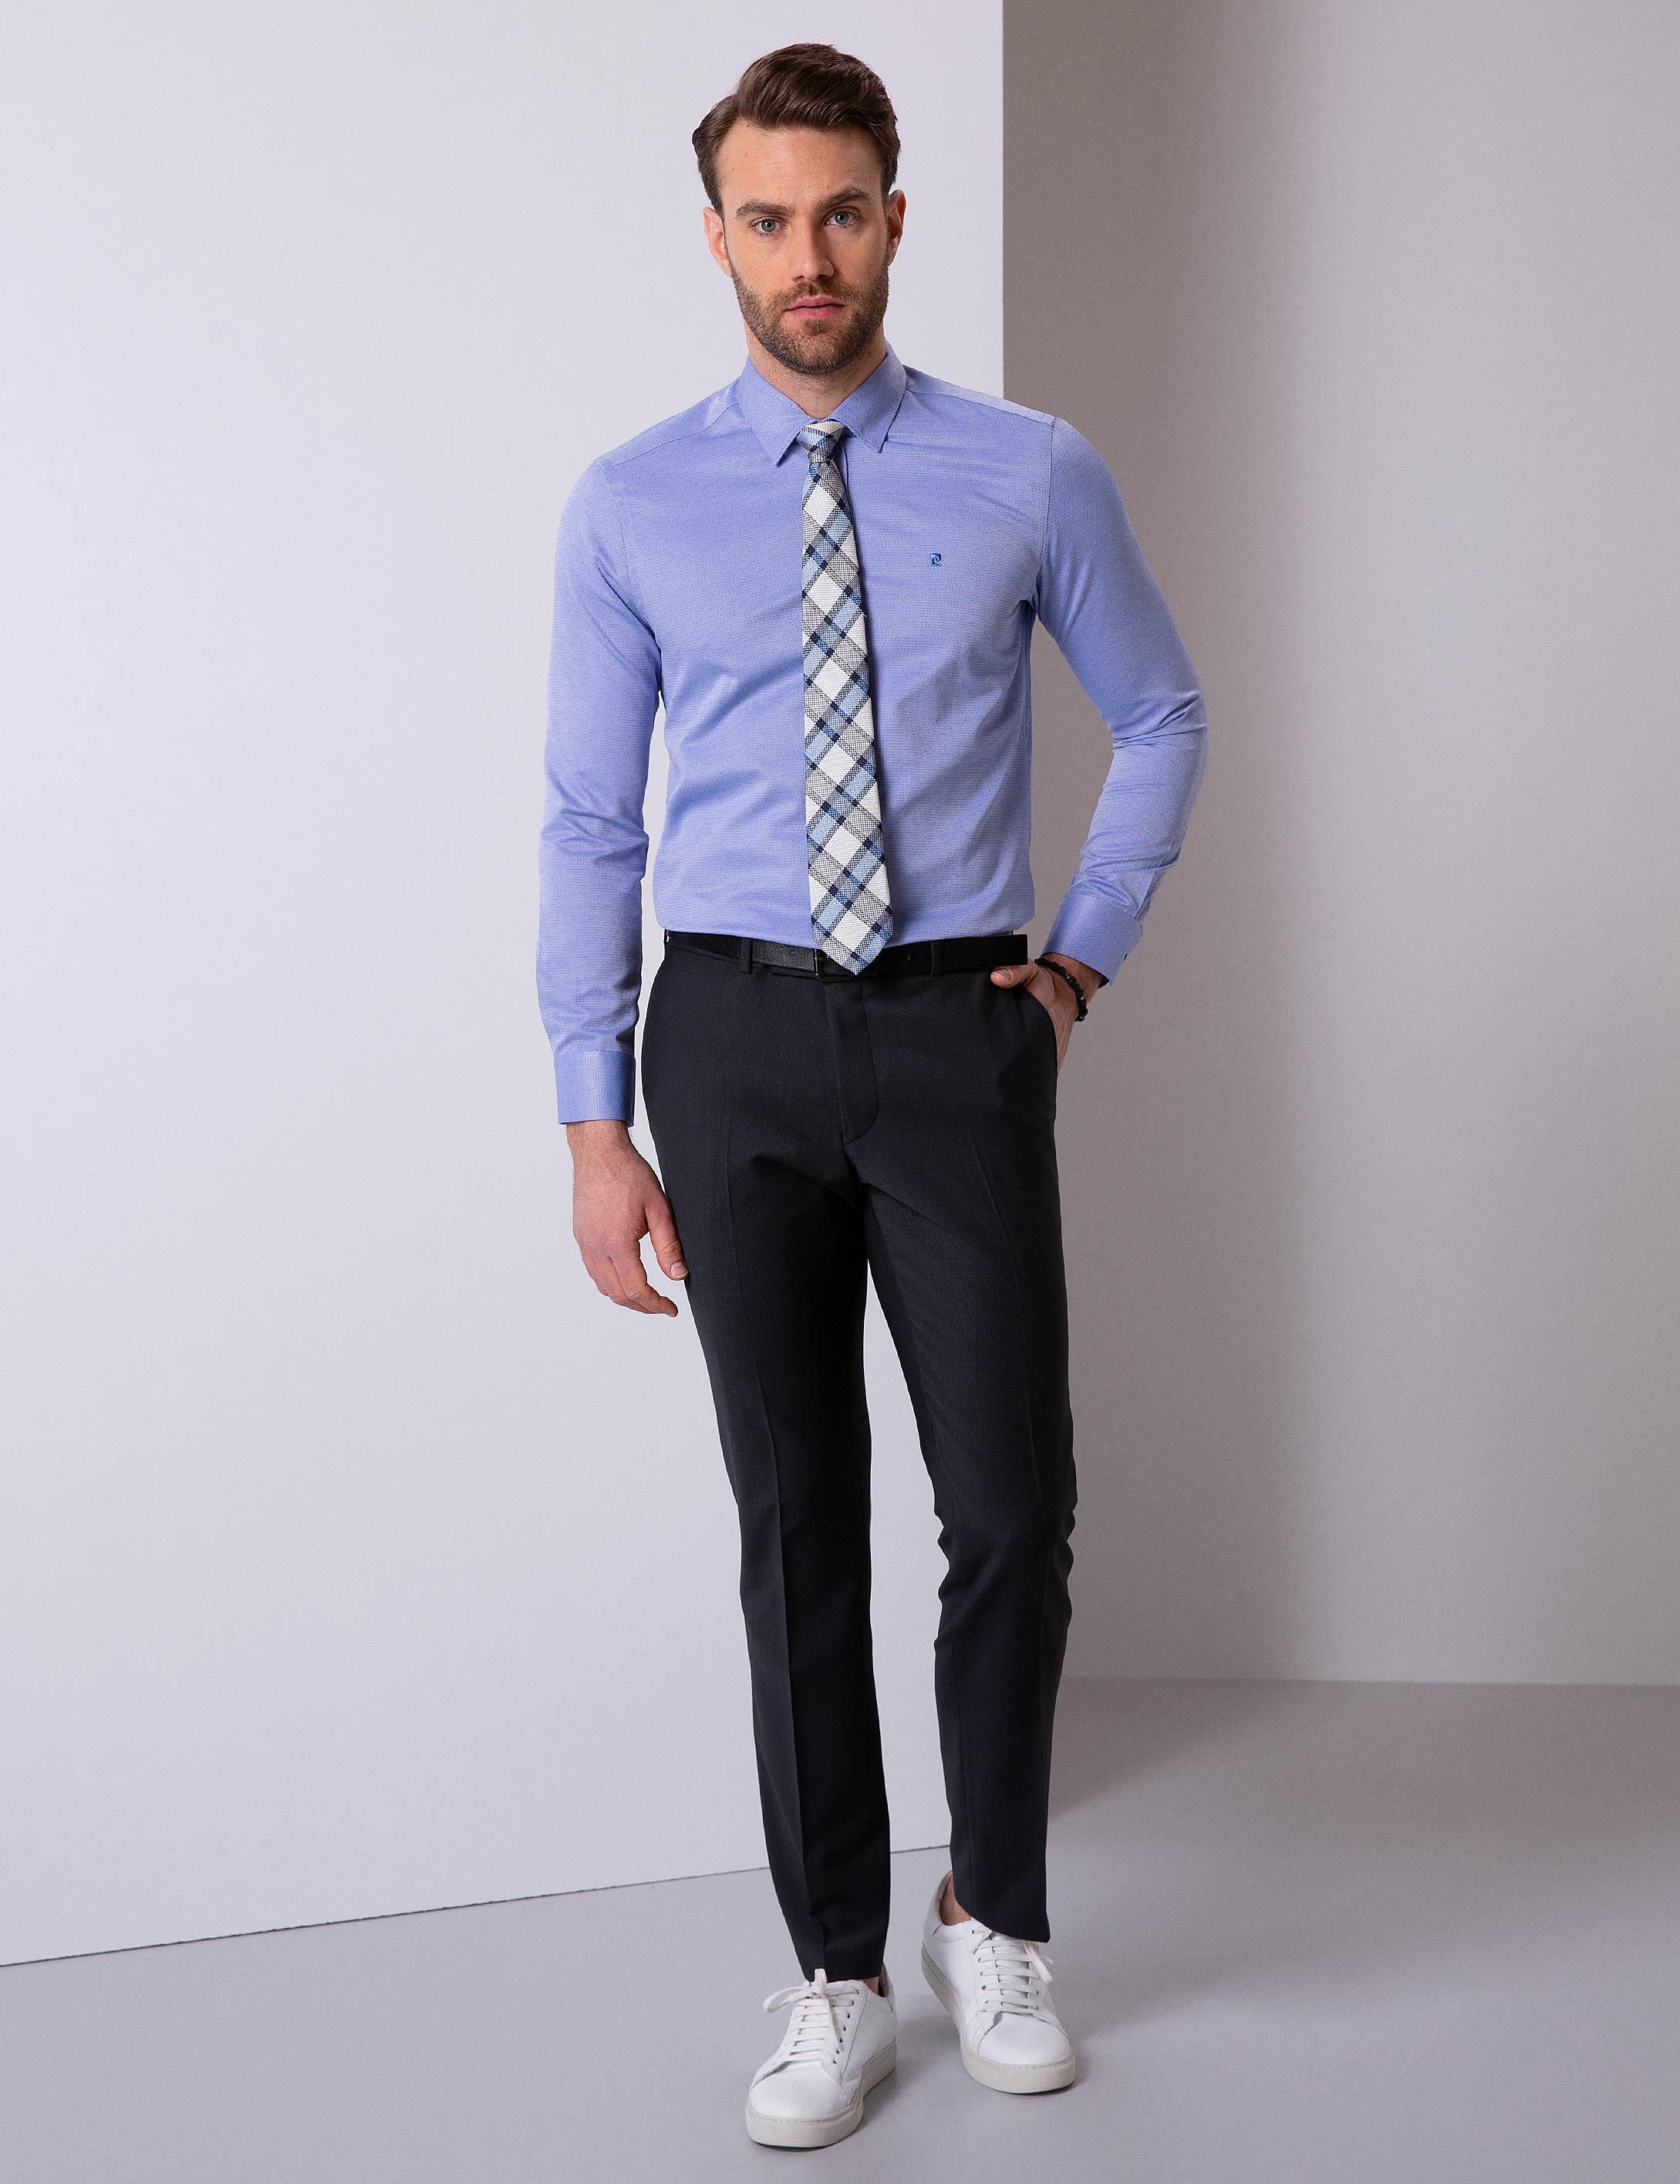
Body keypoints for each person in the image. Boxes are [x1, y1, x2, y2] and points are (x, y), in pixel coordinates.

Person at [537, 41, 1207, 2152]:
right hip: (726, 1039)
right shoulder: (630, 502)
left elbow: (1164, 712)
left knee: (1009, 1506)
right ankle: (833, 1968)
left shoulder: (1027, 472)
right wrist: (591, 1119)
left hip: (950, 1031)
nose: (807, 256)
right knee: (794, 1516)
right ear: (716, 237)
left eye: (841, 212)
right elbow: (589, 821)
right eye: (768, 218)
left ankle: (990, 1911)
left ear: (895, 219)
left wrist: (1074, 962)